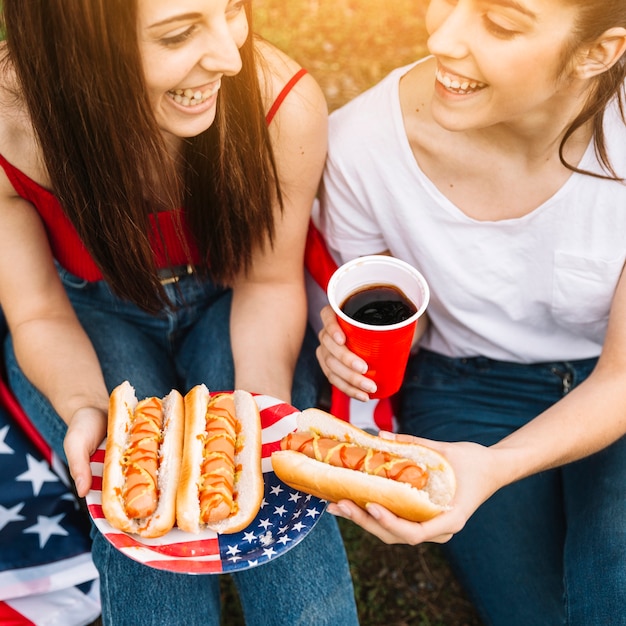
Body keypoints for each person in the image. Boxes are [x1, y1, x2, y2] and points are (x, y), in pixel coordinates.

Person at [0, 1, 359, 625]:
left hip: (236, 298)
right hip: (88, 315)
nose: (230, 54)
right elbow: (36, 314)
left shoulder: (281, 104)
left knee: (274, 495)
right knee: (137, 530)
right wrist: (85, 407)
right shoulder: (9, 124)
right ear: (77, 47)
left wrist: (262, 420)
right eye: (178, 33)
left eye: (233, 9)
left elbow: (270, 282)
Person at [313, 0, 626, 624]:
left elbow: (619, 380)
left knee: (611, 590)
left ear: (597, 52)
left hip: (607, 374)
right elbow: (405, 314)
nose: (444, 36)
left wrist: (499, 467)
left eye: (500, 23)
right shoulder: (359, 147)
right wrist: (363, 348)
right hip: (466, 384)